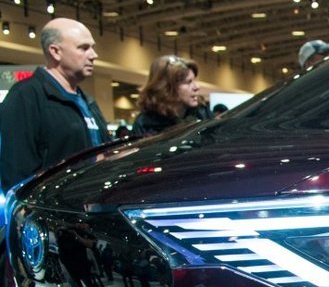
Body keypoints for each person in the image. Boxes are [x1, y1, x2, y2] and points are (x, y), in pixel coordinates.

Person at [0, 18, 110, 192]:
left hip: (94, 200)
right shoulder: (26, 96)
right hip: (55, 205)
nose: (93, 55)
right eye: (83, 48)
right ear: (55, 52)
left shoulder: (87, 101)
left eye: (92, 47)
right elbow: (17, 171)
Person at [131, 55, 205, 137]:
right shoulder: (144, 123)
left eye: (194, 80)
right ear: (166, 88)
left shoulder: (202, 113)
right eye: (188, 82)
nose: (196, 87)